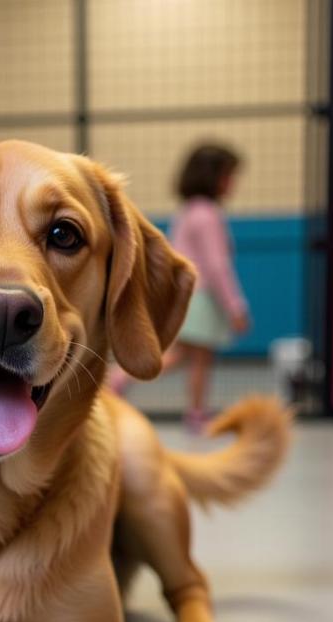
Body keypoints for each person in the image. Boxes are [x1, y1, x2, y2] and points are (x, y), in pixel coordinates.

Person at [109, 144, 250, 431]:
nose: (232, 183)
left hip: (191, 297)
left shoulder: (188, 211)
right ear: (213, 177)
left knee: (183, 355)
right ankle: (194, 412)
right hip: (202, 299)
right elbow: (216, 265)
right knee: (196, 358)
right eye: (228, 175)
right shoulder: (208, 215)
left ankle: (126, 380)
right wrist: (235, 306)